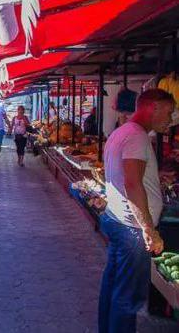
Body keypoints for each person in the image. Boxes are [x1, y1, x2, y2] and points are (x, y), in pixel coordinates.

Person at [99, 89, 173, 333]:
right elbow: (132, 183)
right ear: (153, 107)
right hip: (131, 229)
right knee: (127, 297)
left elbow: (128, 177)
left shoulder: (122, 132)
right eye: (169, 112)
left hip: (118, 220)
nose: (171, 120)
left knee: (113, 286)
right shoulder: (137, 137)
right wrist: (148, 229)